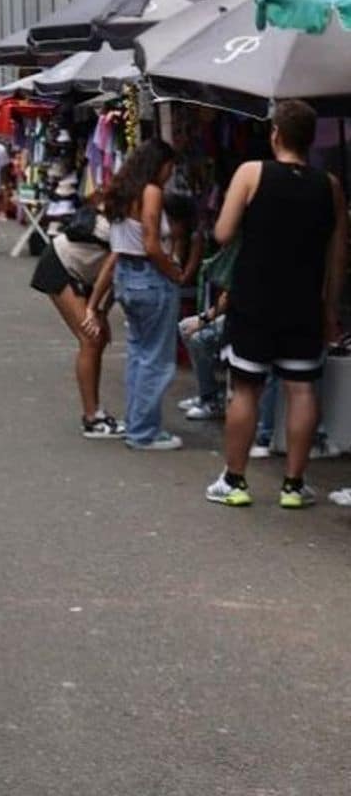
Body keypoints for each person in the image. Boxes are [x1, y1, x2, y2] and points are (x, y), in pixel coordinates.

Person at [205, 99, 346, 510]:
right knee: (302, 389)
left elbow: (222, 232)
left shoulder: (252, 173)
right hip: (304, 301)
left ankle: (234, 481)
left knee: (246, 388)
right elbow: (338, 255)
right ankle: (293, 485)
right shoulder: (330, 186)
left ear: (276, 134)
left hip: (254, 298)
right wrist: (330, 309)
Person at [98, 138, 183, 449]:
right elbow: (151, 243)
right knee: (156, 359)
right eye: (169, 167)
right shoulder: (151, 192)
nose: (170, 174)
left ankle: (138, 422)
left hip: (127, 277)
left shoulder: (124, 191)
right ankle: (143, 430)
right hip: (150, 276)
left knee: (139, 354)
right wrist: (173, 271)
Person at [33, 206, 120, 436]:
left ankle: (96, 412)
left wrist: (101, 312)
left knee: (96, 339)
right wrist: (97, 310)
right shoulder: (126, 231)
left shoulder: (125, 226)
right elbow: (110, 273)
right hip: (61, 265)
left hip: (80, 272)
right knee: (90, 338)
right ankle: (91, 417)